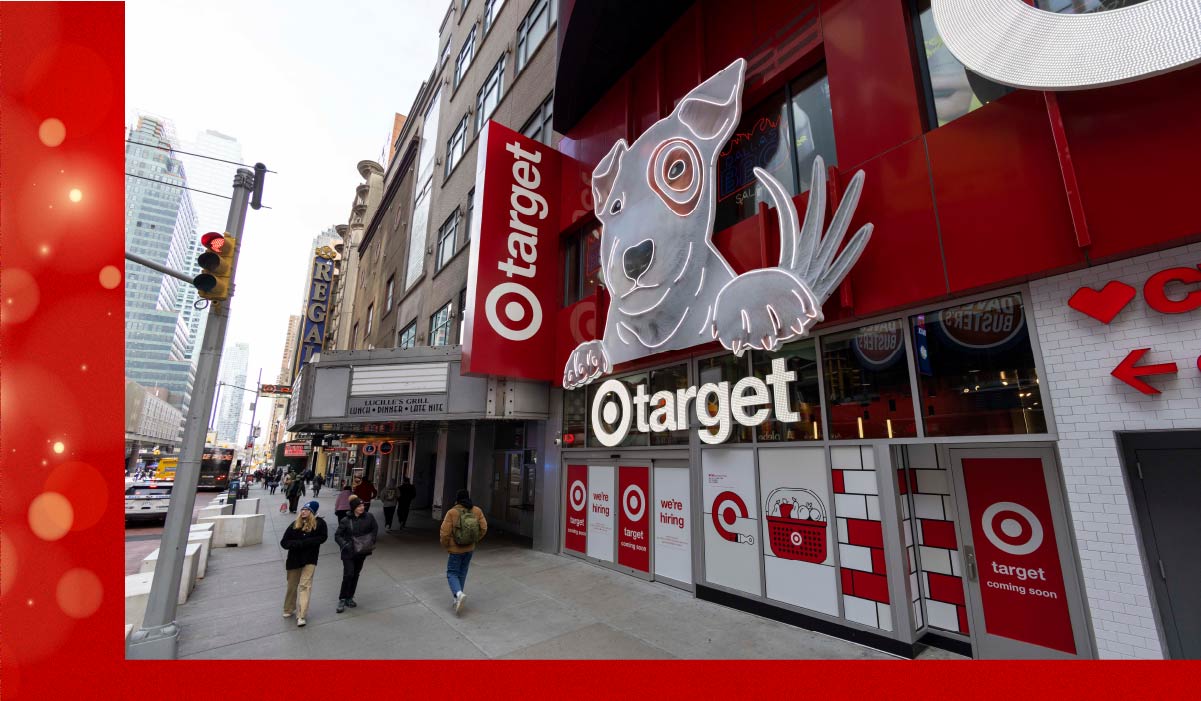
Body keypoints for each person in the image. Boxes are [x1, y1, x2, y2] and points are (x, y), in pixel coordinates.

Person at [439, 489, 487, 616]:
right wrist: (474, 540)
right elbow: (483, 528)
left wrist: (447, 545)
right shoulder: (477, 511)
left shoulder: (452, 512)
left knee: (452, 573)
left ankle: (459, 594)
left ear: (457, 499)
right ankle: (457, 598)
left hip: (455, 550)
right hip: (469, 549)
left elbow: (444, 533)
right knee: (463, 572)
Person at [279, 500, 328, 627]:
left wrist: (305, 542)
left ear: (312, 512)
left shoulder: (320, 524)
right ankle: (288, 608)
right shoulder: (294, 524)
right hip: (294, 560)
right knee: (292, 585)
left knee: (305, 586)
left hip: (310, 559)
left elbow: (322, 538)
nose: (303, 511)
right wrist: (297, 544)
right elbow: (284, 542)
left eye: (307, 510)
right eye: (302, 509)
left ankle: (301, 615)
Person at [334, 496, 378, 613]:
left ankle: (350, 597)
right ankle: (342, 599)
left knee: (355, 574)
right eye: (359, 506)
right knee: (348, 574)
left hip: (361, 551)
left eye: (363, 505)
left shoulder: (369, 517)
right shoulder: (345, 520)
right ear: (353, 508)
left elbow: (375, 529)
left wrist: (371, 540)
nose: (362, 508)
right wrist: (345, 545)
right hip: (348, 552)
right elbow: (337, 535)